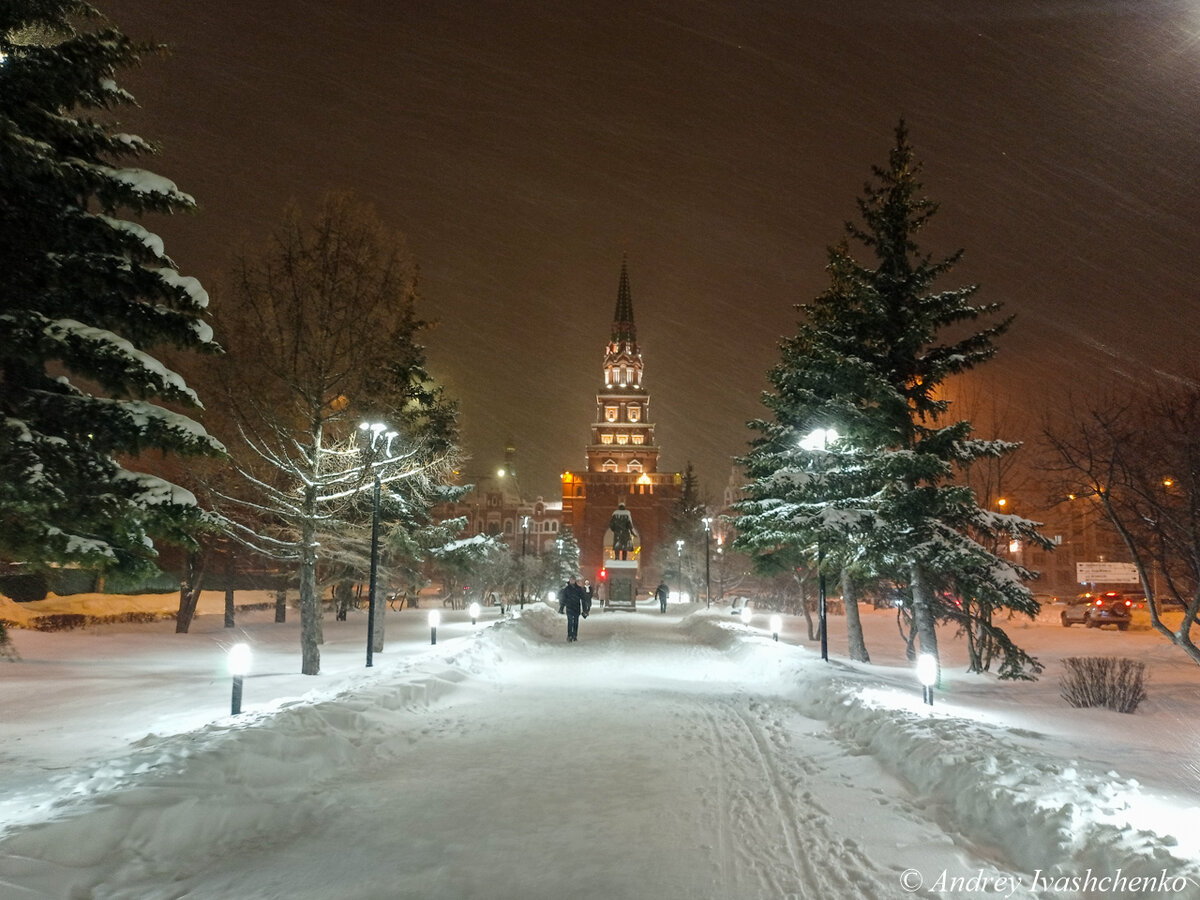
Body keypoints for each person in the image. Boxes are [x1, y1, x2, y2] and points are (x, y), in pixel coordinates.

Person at [561, 576, 587, 641]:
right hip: (569, 607)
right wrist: (561, 608)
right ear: (569, 580)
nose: (572, 581)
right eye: (571, 580)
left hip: (576, 607)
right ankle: (569, 635)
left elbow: (583, 599)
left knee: (575, 622)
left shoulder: (578, 589)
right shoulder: (566, 589)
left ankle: (575, 635)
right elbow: (563, 599)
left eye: (573, 580)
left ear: (575, 580)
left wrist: (585, 610)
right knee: (570, 622)